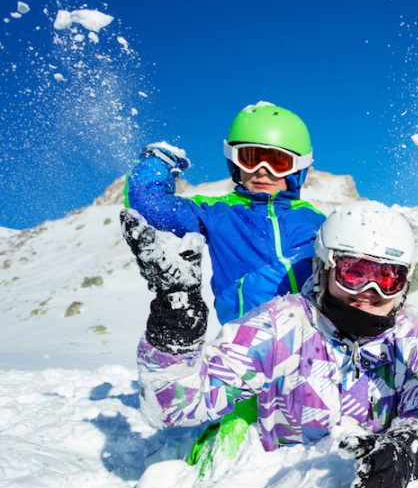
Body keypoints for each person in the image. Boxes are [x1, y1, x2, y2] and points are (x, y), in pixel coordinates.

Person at [124, 202, 418, 488]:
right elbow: (172, 406)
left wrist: (406, 452)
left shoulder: (415, 335)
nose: (369, 290)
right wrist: (175, 326)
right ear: (325, 268)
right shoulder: (283, 326)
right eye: (354, 273)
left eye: (388, 278)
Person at [124, 101, 326, 468]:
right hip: (250, 355)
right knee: (245, 444)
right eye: (251, 158)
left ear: (298, 168)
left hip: (316, 350)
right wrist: (157, 163)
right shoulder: (218, 215)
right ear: (235, 162)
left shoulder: (317, 223)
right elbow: (150, 206)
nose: (262, 171)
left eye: (277, 162)